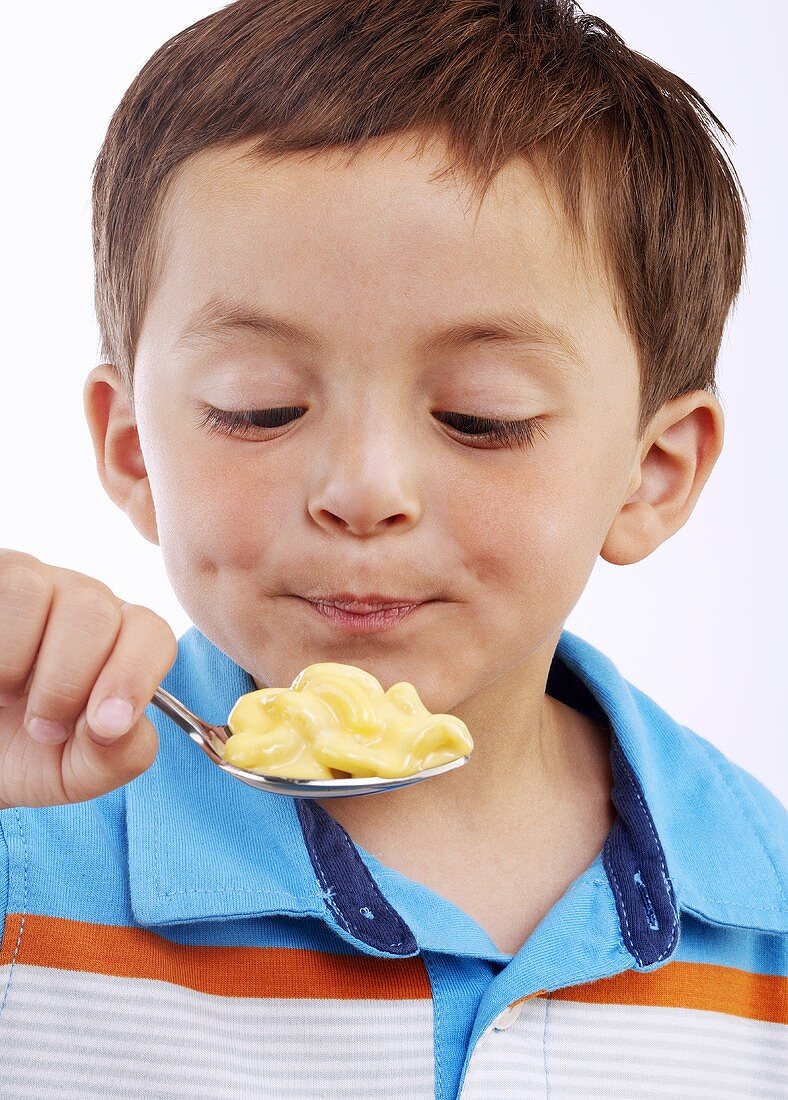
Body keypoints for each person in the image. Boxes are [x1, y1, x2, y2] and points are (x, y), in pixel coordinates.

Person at [1, 1, 785, 1096]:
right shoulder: (26, 839)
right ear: (134, 449)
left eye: (482, 416)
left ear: (649, 473)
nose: (362, 491)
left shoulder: (764, 914)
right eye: (257, 407)